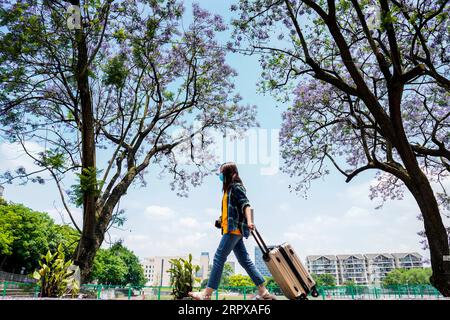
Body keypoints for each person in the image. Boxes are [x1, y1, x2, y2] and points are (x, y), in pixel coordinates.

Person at [188, 162, 275, 300]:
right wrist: (220, 221)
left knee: (218, 258)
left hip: (234, 229)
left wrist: (250, 221)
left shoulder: (235, 187)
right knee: (245, 260)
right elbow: (230, 211)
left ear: (229, 173)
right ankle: (264, 292)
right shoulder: (228, 190)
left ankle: (206, 294)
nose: (220, 175)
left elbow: (246, 204)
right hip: (231, 228)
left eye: (222, 172)